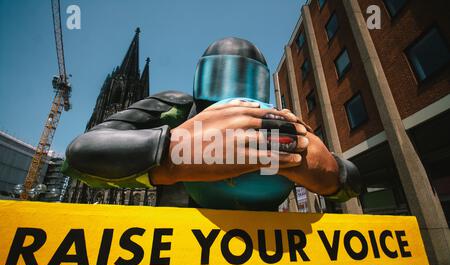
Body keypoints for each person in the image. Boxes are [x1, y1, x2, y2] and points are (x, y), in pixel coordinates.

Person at [62, 37, 362, 210]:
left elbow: (352, 181)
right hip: (178, 244)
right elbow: (81, 153)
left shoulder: (278, 123)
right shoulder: (179, 107)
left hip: (263, 250)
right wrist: (172, 152)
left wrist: (332, 174)